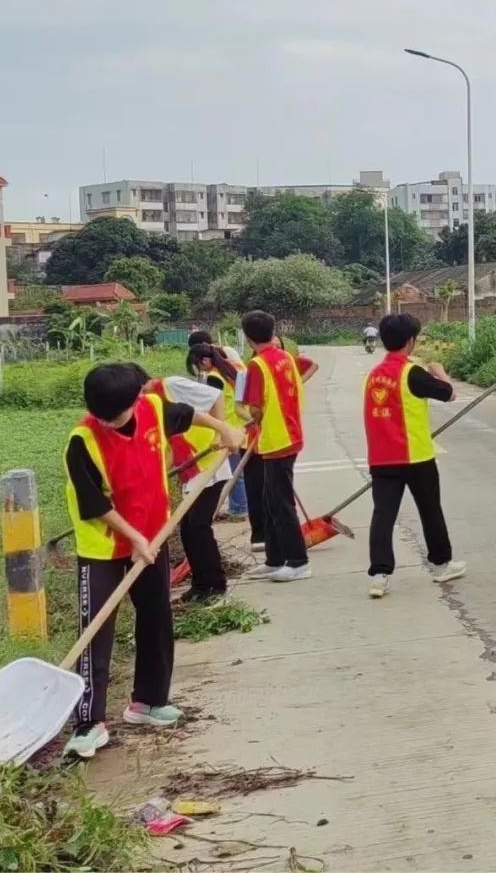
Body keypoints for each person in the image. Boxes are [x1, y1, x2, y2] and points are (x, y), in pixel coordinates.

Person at [63, 362, 243, 759]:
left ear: (135, 400)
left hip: (154, 533)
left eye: (117, 415)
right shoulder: (83, 441)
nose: (109, 423)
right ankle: (88, 723)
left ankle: (147, 702)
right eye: (102, 417)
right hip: (104, 546)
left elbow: (186, 414)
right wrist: (132, 538)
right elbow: (95, 504)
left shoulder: (152, 409)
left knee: (157, 616)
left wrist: (224, 429)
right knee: (96, 630)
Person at [364, 312, 466, 599]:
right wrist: (439, 371)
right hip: (415, 457)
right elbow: (448, 394)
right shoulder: (412, 373)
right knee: (430, 509)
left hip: (381, 458)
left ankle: (380, 575)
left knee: (383, 515)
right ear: (410, 341)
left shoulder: (373, 376)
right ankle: (441, 565)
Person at [240, 311, 318, 583]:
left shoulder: (257, 365)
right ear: (273, 332)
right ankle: (274, 560)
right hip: (289, 434)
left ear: (248, 338)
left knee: (281, 503)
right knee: (269, 500)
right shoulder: (285, 357)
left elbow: (255, 409)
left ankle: (298, 561)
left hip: (276, 439)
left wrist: (249, 419)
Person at [187, 330, 249, 519]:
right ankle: (242, 506)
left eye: (198, 366)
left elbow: (213, 406)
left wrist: (215, 432)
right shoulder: (235, 366)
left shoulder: (214, 377)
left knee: (234, 472)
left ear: (205, 361)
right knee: (241, 469)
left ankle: (239, 508)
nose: (200, 370)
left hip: (227, 428)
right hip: (243, 424)